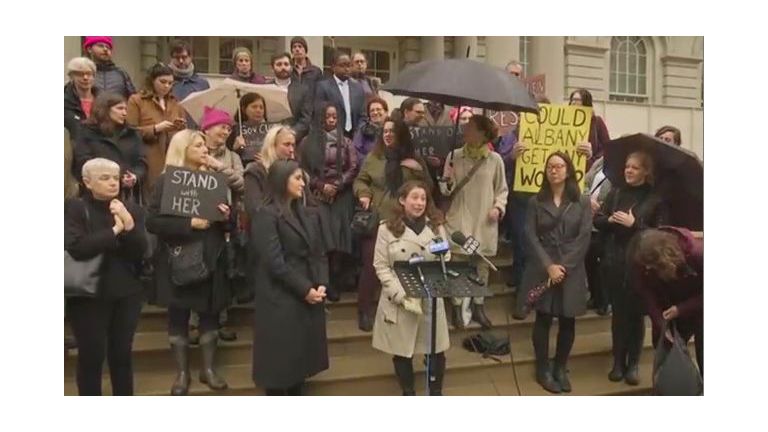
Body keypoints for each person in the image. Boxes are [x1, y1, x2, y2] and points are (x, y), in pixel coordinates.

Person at [146, 130, 232, 395]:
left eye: (205, 146)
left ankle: (207, 370)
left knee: (209, 317)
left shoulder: (215, 181)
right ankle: (182, 374)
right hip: (177, 259)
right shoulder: (165, 182)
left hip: (210, 258)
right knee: (178, 317)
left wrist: (226, 216)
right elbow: (152, 222)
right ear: (183, 149)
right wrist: (188, 223)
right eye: (198, 146)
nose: (205, 150)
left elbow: (230, 225)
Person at [65, 158, 148, 395]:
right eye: (104, 178)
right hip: (88, 295)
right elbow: (78, 247)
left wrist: (129, 223)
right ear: (87, 182)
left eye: (115, 177)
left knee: (122, 357)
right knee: (91, 358)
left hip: (127, 293)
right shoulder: (74, 208)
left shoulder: (129, 208)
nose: (113, 183)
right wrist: (115, 230)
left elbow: (141, 250)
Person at [250, 159, 329, 396]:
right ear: (281, 180)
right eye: (297, 178)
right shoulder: (265, 214)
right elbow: (275, 262)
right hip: (280, 297)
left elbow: (318, 251)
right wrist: (305, 289)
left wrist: (321, 283)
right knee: (279, 368)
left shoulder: (302, 211)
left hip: (305, 293)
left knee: (298, 364)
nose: (302, 183)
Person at [594, 150, 668, 386]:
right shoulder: (615, 192)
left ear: (645, 172)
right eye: (627, 166)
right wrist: (610, 221)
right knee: (619, 315)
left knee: (636, 316)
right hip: (615, 261)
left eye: (635, 167)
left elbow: (660, 233)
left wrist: (635, 224)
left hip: (640, 263)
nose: (628, 170)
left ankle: (633, 364)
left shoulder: (655, 198)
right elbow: (598, 220)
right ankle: (617, 362)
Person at [372, 181, 451, 396]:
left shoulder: (436, 226)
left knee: (436, 349)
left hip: (430, 297)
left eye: (423, 198)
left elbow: (447, 256)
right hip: (401, 299)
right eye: (415, 198)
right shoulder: (386, 228)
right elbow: (381, 265)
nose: (419, 203)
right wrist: (400, 294)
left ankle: (435, 393)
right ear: (402, 200)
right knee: (402, 351)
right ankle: (408, 393)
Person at [353, 118, 433, 331]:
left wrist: (417, 170)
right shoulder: (374, 157)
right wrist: (364, 194)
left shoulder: (413, 159)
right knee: (371, 266)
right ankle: (364, 309)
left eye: (392, 131)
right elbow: (360, 180)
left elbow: (427, 188)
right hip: (378, 219)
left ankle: (403, 303)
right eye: (385, 131)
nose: (388, 135)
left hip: (405, 222)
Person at [522, 152, 592, 393]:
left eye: (559, 166)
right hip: (544, 266)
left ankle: (560, 367)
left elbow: (584, 237)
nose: (554, 170)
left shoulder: (582, 201)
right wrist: (549, 266)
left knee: (567, 319)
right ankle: (542, 368)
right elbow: (530, 235)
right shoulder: (536, 202)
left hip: (571, 268)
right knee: (543, 318)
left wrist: (564, 267)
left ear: (568, 170)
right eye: (550, 167)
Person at [439, 114, 508, 329]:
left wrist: (498, 207)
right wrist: (446, 178)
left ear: (483, 133)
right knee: (458, 264)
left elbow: (502, 190)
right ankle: (458, 307)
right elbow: (445, 191)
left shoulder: (495, 160)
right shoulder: (454, 156)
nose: (465, 130)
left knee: (481, 265)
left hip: (484, 221)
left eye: (470, 127)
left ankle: (478, 306)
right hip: (460, 219)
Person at [300, 103, 358, 301]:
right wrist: (320, 185)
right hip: (318, 195)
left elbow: (353, 166)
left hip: (341, 195)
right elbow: (303, 169)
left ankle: (336, 277)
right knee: (324, 239)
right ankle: (324, 281)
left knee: (340, 239)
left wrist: (338, 184)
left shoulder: (347, 142)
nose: (332, 120)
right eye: (328, 116)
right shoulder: (308, 142)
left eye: (335, 116)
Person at [630, 226, 703, 376]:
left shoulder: (697, 254)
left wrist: (681, 309)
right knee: (665, 351)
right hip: (667, 307)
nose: (648, 268)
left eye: (652, 264)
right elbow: (646, 291)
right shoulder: (643, 258)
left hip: (699, 306)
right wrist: (660, 322)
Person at [74, 92, 147, 205]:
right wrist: (111, 176)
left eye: (125, 109)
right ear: (105, 109)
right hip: (95, 197)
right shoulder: (87, 132)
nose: (124, 113)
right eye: (120, 108)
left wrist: (135, 176)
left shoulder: (132, 134)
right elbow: (82, 161)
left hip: (127, 197)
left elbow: (142, 161)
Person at [127, 62, 186, 198]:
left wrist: (180, 126)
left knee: (172, 199)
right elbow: (129, 132)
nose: (167, 86)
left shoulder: (175, 102)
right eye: (163, 82)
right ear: (152, 80)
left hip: (173, 157)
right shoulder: (137, 100)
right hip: (149, 157)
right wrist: (155, 129)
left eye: (170, 83)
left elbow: (184, 132)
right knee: (152, 198)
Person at [243, 125, 297, 221]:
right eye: (287, 144)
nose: (291, 150)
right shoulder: (255, 172)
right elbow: (254, 209)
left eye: (293, 145)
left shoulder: (295, 173)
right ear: (272, 146)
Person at [583, 155, 613, 315]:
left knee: (602, 263)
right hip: (589, 219)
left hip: (606, 220)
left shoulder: (624, 168)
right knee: (589, 259)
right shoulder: (601, 162)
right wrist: (588, 198)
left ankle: (604, 300)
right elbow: (585, 181)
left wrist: (602, 205)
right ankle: (594, 296)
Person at [314, 51, 367, 139]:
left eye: (349, 65)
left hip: (354, 138)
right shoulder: (323, 87)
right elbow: (319, 114)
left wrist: (359, 133)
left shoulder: (358, 87)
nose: (347, 69)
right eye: (342, 65)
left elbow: (363, 115)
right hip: (332, 137)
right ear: (333, 67)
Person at [264, 52, 313, 142]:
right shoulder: (264, 88)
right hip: (269, 138)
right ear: (272, 68)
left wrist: (291, 133)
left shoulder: (303, 90)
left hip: (294, 139)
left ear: (291, 67)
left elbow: (306, 119)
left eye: (286, 64)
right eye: (279, 64)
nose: (283, 67)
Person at [168, 39, 210, 129]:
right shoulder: (165, 82)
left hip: (195, 133)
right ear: (171, 59)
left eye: (184, 57)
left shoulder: (202, 84)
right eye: (177, 57)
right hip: (171, 132)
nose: (181, 61)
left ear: (191, 57)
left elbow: (208, 111)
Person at [568, 89, 610, 170]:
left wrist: (591, 156)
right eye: (572, 100)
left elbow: (607, 148)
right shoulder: (565, 122)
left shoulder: (597, 122)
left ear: (585, 102)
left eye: (577, 100)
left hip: (589, 170)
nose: (573, 103)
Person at [227, 93, 269, 166]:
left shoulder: (270, 131)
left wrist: (268, 161)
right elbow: (227, 161)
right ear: (243, 109)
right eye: (254, 107)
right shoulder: (233, 131)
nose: (258, 110)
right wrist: (234, 149)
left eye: (261, 107)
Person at [65, 57, 99, 140]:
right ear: (71, 77)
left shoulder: (104, 99)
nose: (85, 78)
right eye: (80, 74)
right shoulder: (64, 102)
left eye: (89, 74)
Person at [352, 97, 389, 165]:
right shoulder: (362, 130)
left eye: (378, 109)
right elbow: (356, 152)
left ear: (386, 112)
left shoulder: (393, 128)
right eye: (372, 110)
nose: (375, 112)